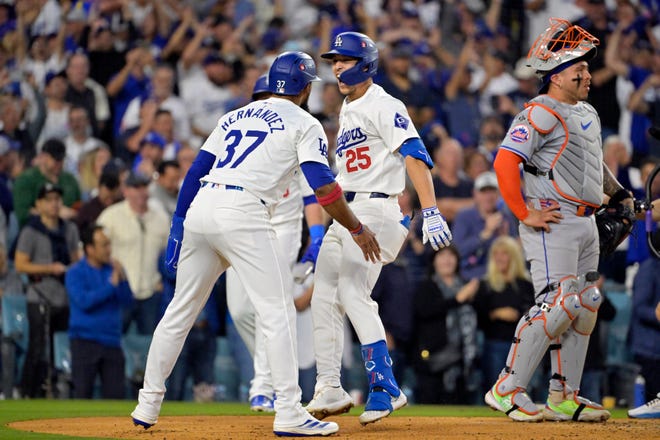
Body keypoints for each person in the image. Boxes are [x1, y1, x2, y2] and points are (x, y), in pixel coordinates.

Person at [131, 51, 382, 437]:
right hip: (245, 210)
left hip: (203, 206)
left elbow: (196, 171)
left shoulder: (234, 115)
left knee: (179, 311)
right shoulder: (305, 122)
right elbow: (323, 188)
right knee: (277, 311)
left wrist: (179, 223)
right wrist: (356, 227)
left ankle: (147, 404)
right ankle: (288, 411)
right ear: (305, 88)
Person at [485, 18, 632, 422]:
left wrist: (618, 194)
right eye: (578, 71)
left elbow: (593, 163)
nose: (587, 75)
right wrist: (523, 212)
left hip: (585, 221)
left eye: (586, 68)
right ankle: (507, 387)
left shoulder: (585, 111)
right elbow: (504, 162)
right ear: (555, 78)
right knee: (558, 303)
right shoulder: (539, 112)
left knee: (586, 303)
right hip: (552, 222)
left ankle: (563, 397)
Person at [306, 32, 452, 426]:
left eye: (346, 59)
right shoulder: (350, 108)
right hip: (348, 211)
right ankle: (329, 386)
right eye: (334, 60)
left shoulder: (383, 103)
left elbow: (413, 153)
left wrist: (431, 208)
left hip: (376, 207)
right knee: (325, 297)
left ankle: (385, 385)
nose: (337, 65)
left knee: (353, 291)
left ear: (366, 63)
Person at [224, 74, 326, 412]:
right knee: (240, 310)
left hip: (282, 229)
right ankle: (276, 363)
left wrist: (316, 234)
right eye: (264, 96)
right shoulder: (242, 133)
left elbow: (313, 196)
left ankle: (263, 387)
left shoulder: (301, 133)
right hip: (241, 226)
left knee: (270, 305)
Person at [14, 182, 81, 398]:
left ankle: (54, 389)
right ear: (39, 204)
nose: (54, 204)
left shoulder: (69, 228)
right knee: (38, 346)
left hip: (62, 295)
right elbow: (20, 264)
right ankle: (27, 391)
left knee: (58, 345)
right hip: (39, 294)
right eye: (49, 200)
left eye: (56, 200)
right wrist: (49, 268)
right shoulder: (31, 230)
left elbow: (76, 260)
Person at [64, 224, 133, 399]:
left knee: (116, 398)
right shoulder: (75, 273)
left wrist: (122, 278)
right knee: (82, 395)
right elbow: (84, 301)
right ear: (90, 249)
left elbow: (128, 301)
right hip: (84, 341)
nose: (109, 250)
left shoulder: (113, 270)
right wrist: (111, 286)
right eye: (104, 245)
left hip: (112, 341)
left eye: (109, 244)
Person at [96, 171, 169, 335]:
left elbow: (169, 253)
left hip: (151, 292)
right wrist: (111, 266)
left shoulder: (160, 217)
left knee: (149, 345)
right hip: (121, 290)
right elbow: (95, 247)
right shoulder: (111, 216)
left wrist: (163, 279)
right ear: (126, 190)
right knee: (114, 340)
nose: (141, 191)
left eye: (144, 186)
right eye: (136, 187)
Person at [412, 246, 479, 404]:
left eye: (451, 255)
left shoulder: (467, 286)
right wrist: (457, 299)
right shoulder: (426, 286)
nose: (447, 260)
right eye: (442, 256)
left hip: (463, 360)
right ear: (434, 261)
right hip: (432, 360)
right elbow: (424, 310)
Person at [469, 236, 535, 390]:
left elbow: (533, 312)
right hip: (494, 342)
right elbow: (477, 317)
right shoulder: (485, 285)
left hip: (523, 346)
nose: (499, 257)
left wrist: (517, 315)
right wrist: (496, 314)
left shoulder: (526, 285)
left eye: (504, 253)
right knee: (495, 386)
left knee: (524, 388)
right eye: (496, 253)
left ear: (513, 256)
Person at [627, 250, 660, 419]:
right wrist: (655, 314)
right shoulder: (649, 269)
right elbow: (639, 307)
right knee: (653, 395)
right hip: (649, 347)